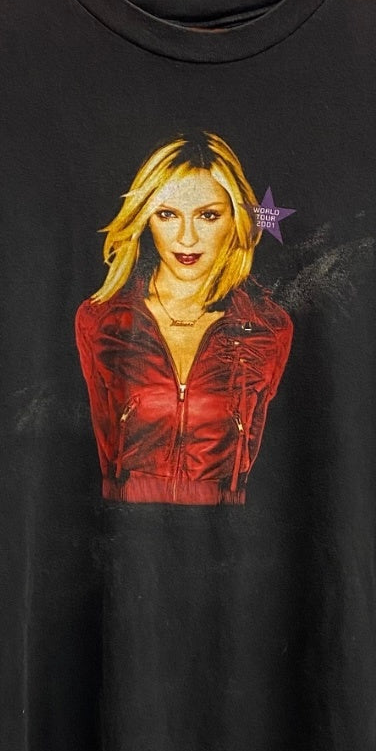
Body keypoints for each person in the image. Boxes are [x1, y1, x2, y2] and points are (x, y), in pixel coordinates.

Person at [75, 130, 293, 505]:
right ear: (146, 218)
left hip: (229, 530)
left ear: (236, 219)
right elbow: (104, 456)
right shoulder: (101, 320)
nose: (187, 238)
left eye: (208, 215)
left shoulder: (268, 328)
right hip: (124, 530)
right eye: (167, 214)